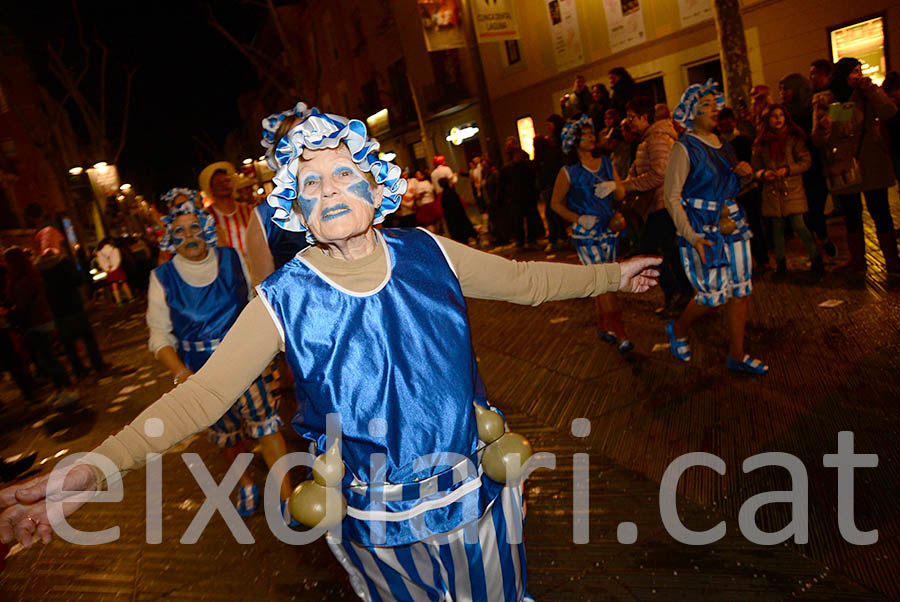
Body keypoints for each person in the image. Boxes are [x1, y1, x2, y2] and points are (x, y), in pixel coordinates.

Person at [0, 105, 662, 602]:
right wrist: (88, 472)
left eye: (343, 172)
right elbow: (201, 397)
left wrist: (612, 275)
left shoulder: (430, 253)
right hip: (375, 519)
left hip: (474, 494)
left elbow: (525, 282)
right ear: (296, 212)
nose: (329, 190)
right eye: (309, 184)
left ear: (376, 187)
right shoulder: (283, 300)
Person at [147, 188, 293, 518]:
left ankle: (286, 497)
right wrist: (181, 373)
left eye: (195, 227)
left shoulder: (231, 258)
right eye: (180, 231)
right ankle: (245, 485)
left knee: (266, 425)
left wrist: (266, 346)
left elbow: (255, 303)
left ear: (207, 228)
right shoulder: (161, 278)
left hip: (244, 359)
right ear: (171, 239)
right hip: (200, 371)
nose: (190, 237)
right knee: (225, 435)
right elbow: (159, 335)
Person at [664, 79, 768, 375]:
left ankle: (737, 354)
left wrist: (748, 175)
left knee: (740, 289)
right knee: (712, 296)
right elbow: (671, 196)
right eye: (705, 105)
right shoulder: (684, 148)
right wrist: (690, 234)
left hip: (733, 223)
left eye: (714, 104)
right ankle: (680, 328)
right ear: (690, 113)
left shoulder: (724, 145)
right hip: (704, 229)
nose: (713, 110)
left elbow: (731, 185)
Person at [550, 114, 635, 353]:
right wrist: (578, 219)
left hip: (610, 230)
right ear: (574, 141)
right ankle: (621, 333)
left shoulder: (608, 163)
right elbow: (555, 203)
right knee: (606, 282)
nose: (590, 136)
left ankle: (602, 325)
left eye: (591, 132)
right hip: (586, 236)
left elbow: (621, 195)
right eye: (585, 133)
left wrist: (615, 186)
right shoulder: (568, 172)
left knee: (602, 282)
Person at [811, 57, 900, 274]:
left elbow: (889, 112)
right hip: (844, 164)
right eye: (854, 71)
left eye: (860, 70)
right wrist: (824, 128)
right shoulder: (826, 100)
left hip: (871, 161)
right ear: (842, 74)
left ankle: (892, 260)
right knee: (851, 213)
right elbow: (817, 140)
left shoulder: (867, 95)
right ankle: (858, 260)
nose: (858, 75)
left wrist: (871, 90)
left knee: (880, 210)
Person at [622, 96, 692, 317]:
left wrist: (629, 185)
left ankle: (677, 294)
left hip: (663, 205)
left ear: (645, 117)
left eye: (632, 117)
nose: (629, 121)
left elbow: (661, 173)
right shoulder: (648, 139)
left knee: (648, 252)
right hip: (659, 205)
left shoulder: (657, 139)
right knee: (669, 252)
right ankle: (682, 295)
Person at [3, 248, 80, 406]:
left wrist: (11, 311)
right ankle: (61, 389)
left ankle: (68, 389)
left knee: (49, 359)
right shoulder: (30, 275)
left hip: (35, 322)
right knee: (47, 358)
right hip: (40, 321)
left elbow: (23, 302)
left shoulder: (23, 279)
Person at [752, 105, 823, 275]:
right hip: (772, 191)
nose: (777, 119)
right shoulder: (761, 143)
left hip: (792, 189)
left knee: (799, 225)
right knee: (777, 228)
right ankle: (781, 263)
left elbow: (805, 162)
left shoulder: (794, 138)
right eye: (773, 116)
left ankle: (816, 257)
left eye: (780, 115)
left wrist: (788, 170)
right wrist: (764, 174)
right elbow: (756, 167)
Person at [780, 72, 837, 258]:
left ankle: (823, 239)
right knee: (802, 213)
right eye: (781, 89)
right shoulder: (784, 113)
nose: (782, 93)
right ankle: (816, 251)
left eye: (786, 89)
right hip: (796, 168)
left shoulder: (811, 110)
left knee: (815, 209)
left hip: (814, 165)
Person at [34, 248, 109, 378]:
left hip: (57, 310)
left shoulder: (38, 270)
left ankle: (79, 369)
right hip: (73, 305)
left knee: (68, 344)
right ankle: (96, 363)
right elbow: (77, 280)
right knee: (87, 336)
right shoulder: (63, 263)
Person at [198, 161, 255, 258]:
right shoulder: (205, 216)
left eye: (226, 181)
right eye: (218, 183)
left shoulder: (247, 210)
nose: (223, 185)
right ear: (211, 189)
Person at [499, 137, 544, 250]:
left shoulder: (522, 163)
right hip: (516, 196)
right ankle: (522, 240)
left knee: (528, 218)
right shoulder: (509, 165)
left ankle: (529, 240)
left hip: (525, 195)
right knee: (518, 220)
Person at [96, 238, 134, 305]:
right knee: (124, 283)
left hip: (109, 270)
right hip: (117, 269)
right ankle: (130, 298)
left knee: (114, 285)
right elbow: (117, 259)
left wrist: (107, 269)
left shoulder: (99, 253)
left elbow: (101, 262)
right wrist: (114, 267)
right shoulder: (114, 249)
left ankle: (118, 301)